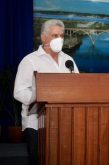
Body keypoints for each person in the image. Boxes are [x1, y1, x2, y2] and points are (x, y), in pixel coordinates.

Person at [14, 19, 79, 165]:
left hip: (65, 123)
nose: (59, 39)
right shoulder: (30, 61)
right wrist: (41, 96)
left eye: (62, 36)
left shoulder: (69, 61)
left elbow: (77, 87)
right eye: (55, 36)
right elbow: (19, 91)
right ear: (43, 37)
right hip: (37, 124)